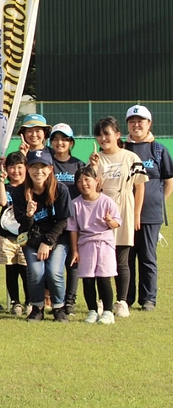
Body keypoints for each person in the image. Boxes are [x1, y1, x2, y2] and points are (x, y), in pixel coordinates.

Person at [90, 116, 148, 318]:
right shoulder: (97, 159)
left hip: (124, 208)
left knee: (122, 259)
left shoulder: (130, 158)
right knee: (100, 258)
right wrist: (93, 166)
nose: (103, 138)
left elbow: (140, 186)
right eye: (99, 135)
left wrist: (137, 213)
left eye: (107, 134)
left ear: (117, 135)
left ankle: (122, 301)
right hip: (101, 210)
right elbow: (94, 188)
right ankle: (101, 300)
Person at [12, 149, 72, 322]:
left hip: (57, 238)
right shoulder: (19, 192)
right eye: (34, 167)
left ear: (51, 169)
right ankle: (37, 308)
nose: (38, 171)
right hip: (32, 239)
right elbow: (23, 226)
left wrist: (48, 242)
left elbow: (63, 220)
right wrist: (29, 215)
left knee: (54, 272)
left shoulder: (60, 189)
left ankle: (58, 308)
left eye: (43, 166)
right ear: (27, 168)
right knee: (36, 271)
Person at [123, 104, 173, 311]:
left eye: (140, 121)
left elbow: (168, 180)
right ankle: (126, 298)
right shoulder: (121, 148)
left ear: (149, 124)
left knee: (147, 256)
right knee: (126, 257)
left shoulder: (159, 150)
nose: (136, 125)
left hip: (150, 214)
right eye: (132, 121)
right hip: (124, 214)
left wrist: (159, 201)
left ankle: (148, 299)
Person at [66, 166, 121, 324]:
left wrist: (109, 221)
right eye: (79, 181)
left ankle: (108, 312)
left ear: (96, 181)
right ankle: (92, 311)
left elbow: (117, 223)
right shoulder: (76, 204)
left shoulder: (106, 201)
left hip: (104, 243)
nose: (83, 184)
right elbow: (73, 228)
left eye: (87, 179)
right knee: (88, 279)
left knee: (104, 278)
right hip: (85, 243)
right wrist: (75, 250)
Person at [48, 122, 84, 314]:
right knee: (54, 261)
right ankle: (54, 297)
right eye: (56, 139)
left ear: (71, 142)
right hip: (54, 221)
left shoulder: (78, 164)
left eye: (64, 139)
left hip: (75, 221)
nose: (60, 143)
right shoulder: (48, 162)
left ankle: (70, 300)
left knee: (73, 261)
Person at [0, 152, 29, 315]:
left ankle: (29, 301)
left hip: (25, 235)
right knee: (11, 269)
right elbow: (1, 202)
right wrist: (1, 182)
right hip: (7, 235)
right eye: (12, 167)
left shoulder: (30, 187)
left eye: (20, 167)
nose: (16, 171)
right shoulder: (6, 188)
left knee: (26, 269)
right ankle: (15, 301)